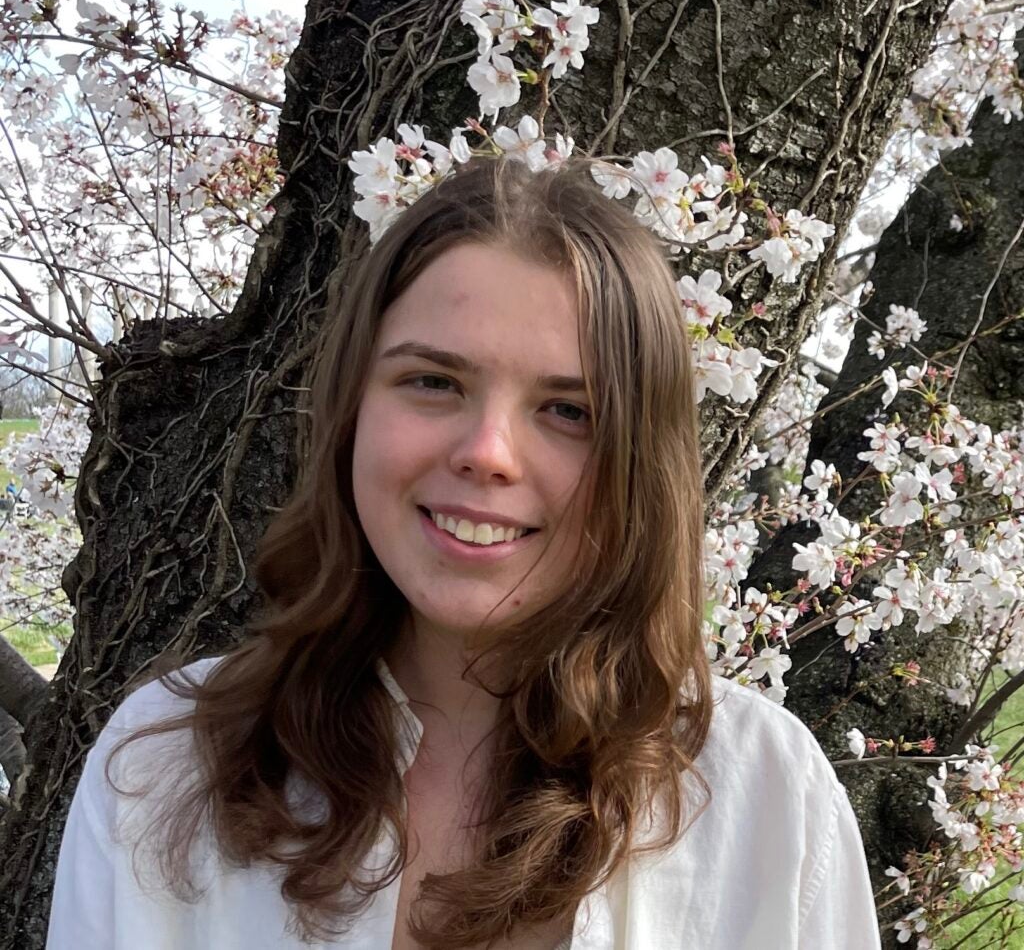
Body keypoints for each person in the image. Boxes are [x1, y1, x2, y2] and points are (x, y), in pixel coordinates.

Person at [47, 156, 882, 949]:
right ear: (351, 412)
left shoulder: (767, 802)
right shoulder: (163, 766)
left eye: (568, 410)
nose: (488, 451)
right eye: (434, 382)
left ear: (641, 464)